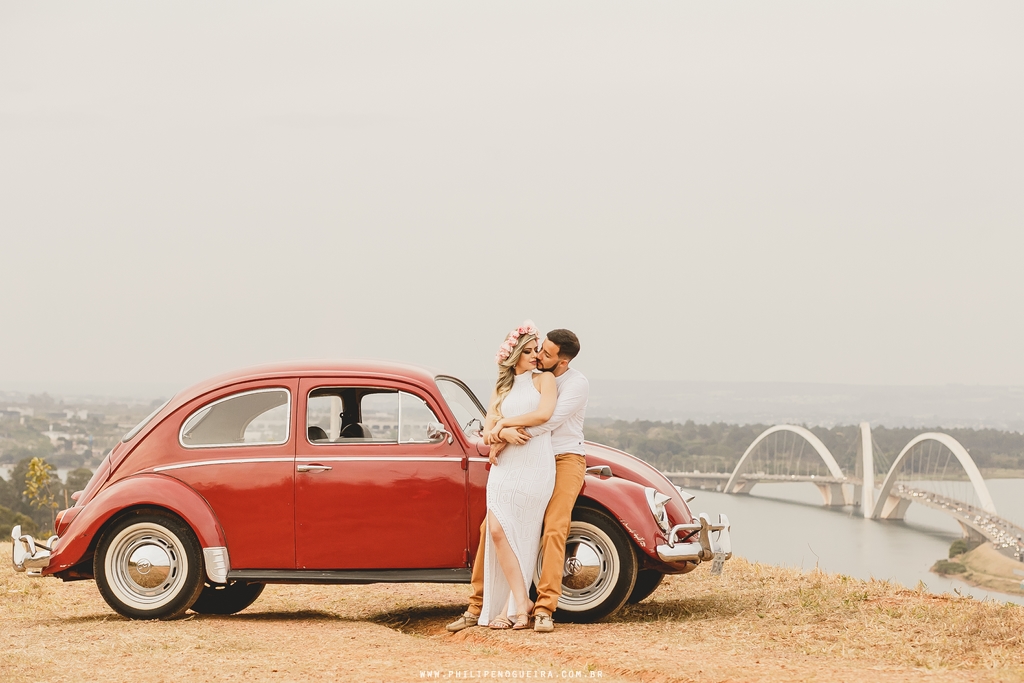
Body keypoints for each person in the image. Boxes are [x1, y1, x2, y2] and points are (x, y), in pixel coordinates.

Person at [447, 328, 588, 634]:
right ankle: (477, 605)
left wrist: (502, 435)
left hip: (563, 457)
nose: (539, 355)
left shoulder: (574, 383)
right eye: (538, 349)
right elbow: (497, 422)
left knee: (554, 527)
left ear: (561, 362)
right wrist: (499, 434)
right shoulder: (523, 378)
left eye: (546, 353)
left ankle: (544, 609)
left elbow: (547, 421)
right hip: (524, 455)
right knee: (490, 528)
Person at [476, 321, 557, 630]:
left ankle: (515, 608)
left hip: (535, 463)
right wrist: (502, 432)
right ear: (514, 355)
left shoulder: (544, 380)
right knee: (497, 530)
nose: (535, 355)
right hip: (505, 467)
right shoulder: (502, 387)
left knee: (523, 534)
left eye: (536, 349)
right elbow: (487, 434)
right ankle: (521, 602)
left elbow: (543, 414)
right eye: (528, 351)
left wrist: (503, 425)